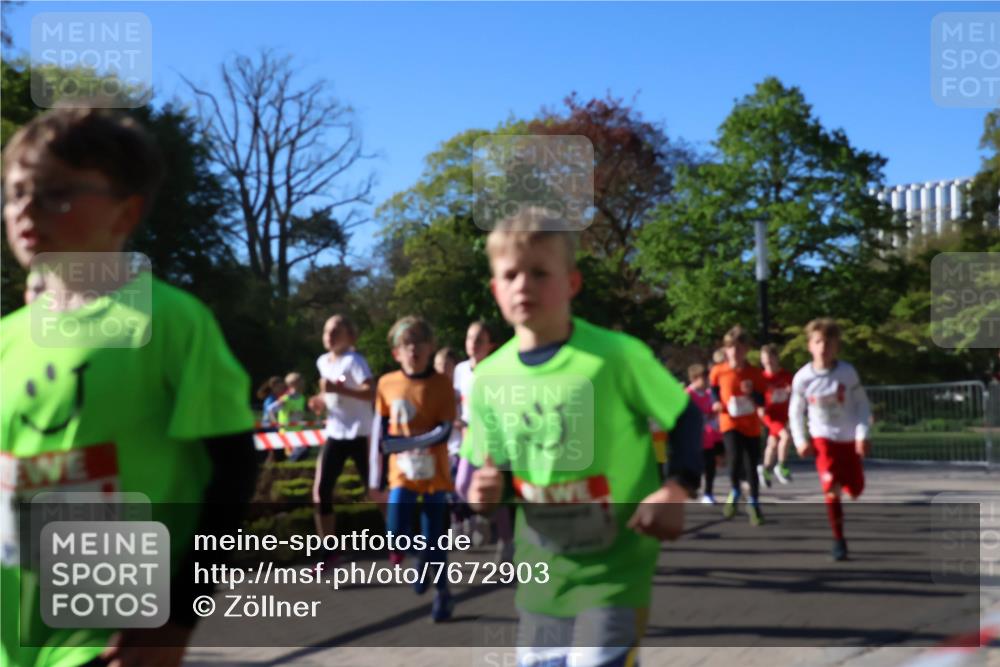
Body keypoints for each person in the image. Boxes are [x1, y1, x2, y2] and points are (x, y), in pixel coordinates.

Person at [1, 105, 257, 667]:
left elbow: (234, 473)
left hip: (109, 634)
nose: (25, 208)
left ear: (125, 211)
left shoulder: (170, 322)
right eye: (14, 193)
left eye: (55, 192)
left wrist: (180, 612)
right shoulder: (8, 337)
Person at [464, 206, 703, 667]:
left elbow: (686, 417)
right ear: (495, 289)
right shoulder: (489, 378)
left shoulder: (615, 357)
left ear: (572, 282)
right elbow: (496, 470)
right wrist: (485, 493)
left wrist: (675, 488)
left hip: (614, 573)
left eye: (539, 272)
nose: (523, 285)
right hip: (541, 577)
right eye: (510, 275)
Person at [372, 316, 457, 622]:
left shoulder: (442, 384)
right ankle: (421, 557)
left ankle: (442, 593)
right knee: (395, 533)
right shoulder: (387, 383)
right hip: (402, 474)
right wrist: (375, 478)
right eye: (407, 344)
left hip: (435, 473)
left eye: (420, 342)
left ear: (431, 347)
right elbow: (381, 431)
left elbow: (445, 431)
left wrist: (404, 443)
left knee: (435, 536)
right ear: (396, 352)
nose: (413, 349)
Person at [789, 318, 872, 562]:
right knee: (831, 488)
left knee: (855, 490)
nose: (823, 347)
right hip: (822, 438)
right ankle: (838, 540)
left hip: (848, 438)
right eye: (818, 342)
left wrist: (862, 435)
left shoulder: (847, 373)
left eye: (828, 342)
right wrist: (800, 440)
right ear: (810, 346)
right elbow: (795, 412)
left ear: (836, 346)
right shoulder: (803, 378)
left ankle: (849, 484)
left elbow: (862, 405)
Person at [308, 314, 375, 555]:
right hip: (336, 433)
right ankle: (328, 550)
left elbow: (371, 392)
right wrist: (319, 400)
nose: (330, 335)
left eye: (336, 331)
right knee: (321, 491)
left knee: (375, 490)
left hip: (360, 433)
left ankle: (400, 537)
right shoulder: (323, 361)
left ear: (350, 336)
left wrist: (339, 390)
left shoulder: (355, 361)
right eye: (327, 331)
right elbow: (329, 393)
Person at [710, 325, 768, 525]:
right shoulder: (719, 371)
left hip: (751, 425)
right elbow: (714, 389)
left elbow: (762, 399)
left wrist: (752, 395)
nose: (735, 351)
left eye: (739, 348)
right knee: (734, 460)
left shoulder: (755, 373)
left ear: (746, 350)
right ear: (725, 349)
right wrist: (716, 402)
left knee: (751, 465)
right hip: (729, 422)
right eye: (731, 347)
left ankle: (754, 503)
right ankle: (735, 490)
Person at [686, 363, 723, 504]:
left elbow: (712, 411)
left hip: (708, 437)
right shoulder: (688, 394)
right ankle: (691, 486)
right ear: (694, 379)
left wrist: (714, 412)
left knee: (710, 464)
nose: (708, 381)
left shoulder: (709, 394)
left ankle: (708, 493)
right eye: (704, 378)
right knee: (694, 465)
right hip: (692, 437)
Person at [758, 344, 794, 486]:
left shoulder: (786, 376)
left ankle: (765, 469)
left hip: (783, 414)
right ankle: (781, 466)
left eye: (770, 360)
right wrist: (759, 408)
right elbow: (756, 396)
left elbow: (795, 393)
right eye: (765, 361)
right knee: (786, 437)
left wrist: (790, 392)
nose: (768, 364)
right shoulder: (761, 378)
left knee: (773, 444)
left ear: (776, 358)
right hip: (770, 415)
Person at [267, 371, 309, 460]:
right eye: (300, 381)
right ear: (293, 384)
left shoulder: (302, 398)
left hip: (298, 432)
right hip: (286, 433)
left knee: (301, 455)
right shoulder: (286, 398)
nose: (303, 383)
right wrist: (276, 424)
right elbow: (270, 409)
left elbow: (300, 415)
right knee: (292, 458)